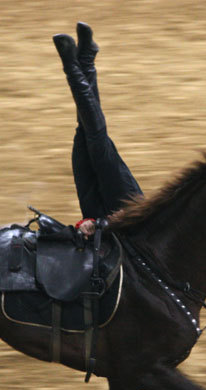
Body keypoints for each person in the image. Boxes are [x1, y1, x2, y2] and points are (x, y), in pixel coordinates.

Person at [53, 23, 143, 236]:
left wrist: (88, 224)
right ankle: (71, 65)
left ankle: (86, 57)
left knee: (83, 132)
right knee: (95, 136)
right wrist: (101, 224)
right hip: (127, 208)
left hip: (95, 213)